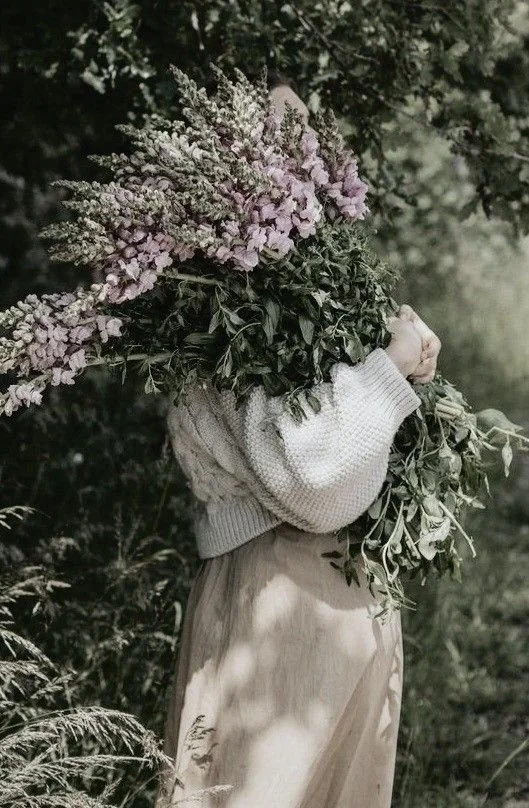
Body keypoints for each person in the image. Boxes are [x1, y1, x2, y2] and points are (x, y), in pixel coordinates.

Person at [155, 84, 442, 808]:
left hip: (329, 597)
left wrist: (399, 355)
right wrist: (386, 368)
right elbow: (312, 482)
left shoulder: (287, 293)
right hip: (282, 596)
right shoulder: (229, 312)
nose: (303, 190)